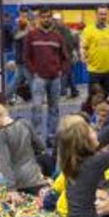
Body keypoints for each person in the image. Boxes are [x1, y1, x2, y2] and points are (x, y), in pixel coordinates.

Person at [23, 9, 69, 146]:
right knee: (36, 107)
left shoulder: (58, 37)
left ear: (51, 19)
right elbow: (25, 57)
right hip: (38, 78)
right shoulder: (31, 35)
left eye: (48, 17)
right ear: (39, 19)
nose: (46, 19)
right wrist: (34, 72)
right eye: (43, 17)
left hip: (55, 78)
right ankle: (36, 138)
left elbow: (66, 57)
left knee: (54, 108)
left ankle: (51, 136)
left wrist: (61, 71)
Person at [81, 7, 109, 98]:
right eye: (101, 14)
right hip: (94, 71)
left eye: (105, 14)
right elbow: (83, 47)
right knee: (94, 99)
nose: (103, 16)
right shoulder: (88, 30)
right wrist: (82, 54)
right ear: (96, 15)